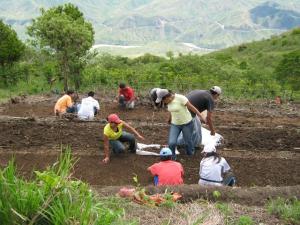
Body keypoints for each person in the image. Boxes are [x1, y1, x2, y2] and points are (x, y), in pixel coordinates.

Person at [156, 90, 205, 159]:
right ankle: (172, 157)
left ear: (167, 97)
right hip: (175, 124)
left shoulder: (180, 98)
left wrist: (201, 117)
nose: (163, 102)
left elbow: (192, 108)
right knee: (171, 142)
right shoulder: (168, 102)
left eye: (163, 100)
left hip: (187, 123)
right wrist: (169, 119)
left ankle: (190, 154)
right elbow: (171, 110)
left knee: (188, 141)